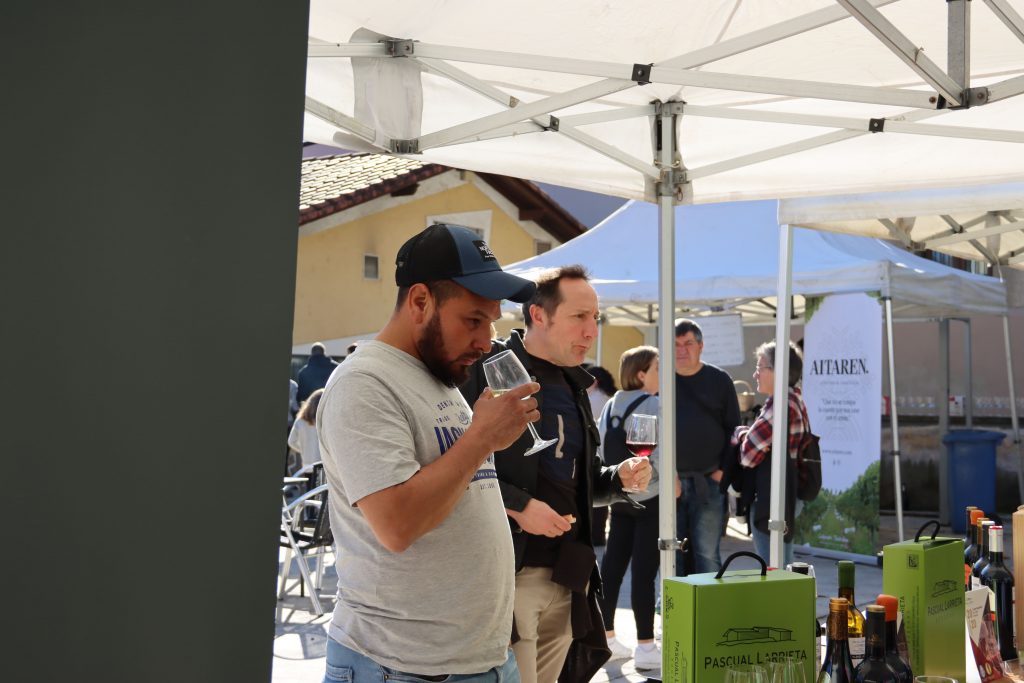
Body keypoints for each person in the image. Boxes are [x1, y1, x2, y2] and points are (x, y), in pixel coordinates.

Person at [317, 223, 540, 683]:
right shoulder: (364, 383)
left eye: (491, 323)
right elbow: (397, 524)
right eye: (473, 321)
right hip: (400, 667)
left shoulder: (435, 373)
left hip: (480, 661)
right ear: (420, 301)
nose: (487, 341)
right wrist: (480, 439)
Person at [461, 265, 652, 683]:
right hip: (510, 574)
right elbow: (453, 462)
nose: (591, 331)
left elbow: (579, 482)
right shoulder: (488, 369)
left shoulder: (573, 384)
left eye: (595, 318)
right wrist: (519, 506)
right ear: (538, 315)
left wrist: (617, 479)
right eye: (579, 317)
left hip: (569, 575)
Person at [596, 346, 679, 670]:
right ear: (642, 374)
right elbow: (660, 455)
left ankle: (607, 637)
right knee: (644, 573)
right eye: (658, 367)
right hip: (650, 497)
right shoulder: (655, 404)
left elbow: (601, 450)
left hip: (619, 496)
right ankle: (645, 646)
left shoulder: (611, 404)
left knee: (612, 569)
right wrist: (669, 480)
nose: (663, 372)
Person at [673, 318, 741, 575]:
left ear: (700, 346)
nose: (681, 350)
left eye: (688, 343)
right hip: (672, 484)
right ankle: (673, 598)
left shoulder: (719, 380)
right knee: (672, 551)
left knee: (706, 553)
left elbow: (734, 431)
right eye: (676, 344)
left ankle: (709, 600)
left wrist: (723, 472)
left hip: (709, 481)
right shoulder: (662, 380)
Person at [734, 341, 808, 567]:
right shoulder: (794, 399)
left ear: (780, 370)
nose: (755, 374)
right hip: (786, 494)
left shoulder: (780, 405)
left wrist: (740, 435)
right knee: (783, 563)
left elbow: (747, 456)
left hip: (772, 498)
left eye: (760, 367)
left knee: (772, 569)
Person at [585, 365, 616, 547]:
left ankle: (595, 536)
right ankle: (598, 536)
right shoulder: (609, 398)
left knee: (595, 497)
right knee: (603, 498)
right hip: (609, 452)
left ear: (595, 381)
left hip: (595, 452)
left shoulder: (592, 399)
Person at [288, 388, 324, 473]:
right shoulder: (324, 421)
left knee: (308, 481)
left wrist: (304, 449)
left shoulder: (300, 421)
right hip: (322, 464)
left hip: (306, 464)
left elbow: (291, 441)